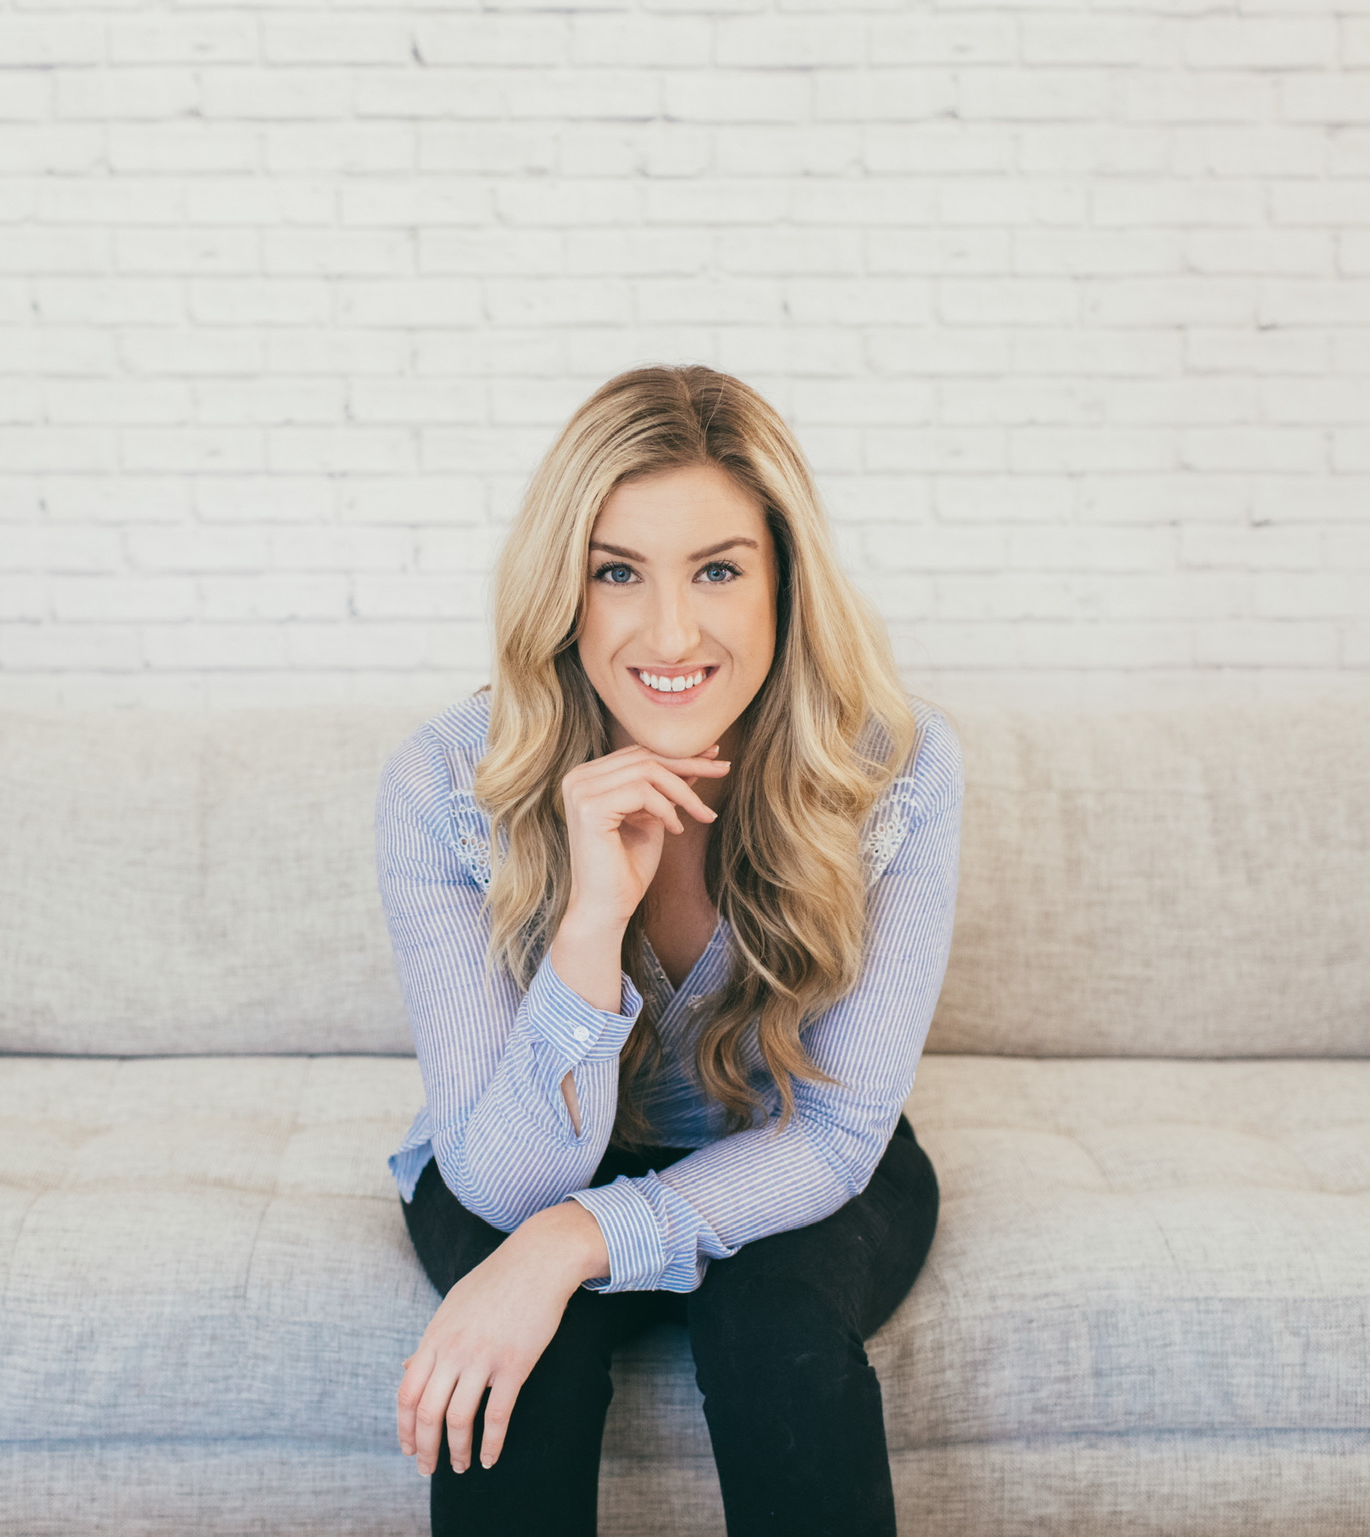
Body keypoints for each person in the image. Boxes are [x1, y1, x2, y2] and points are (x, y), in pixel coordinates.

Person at [375, 363, 964, 1537]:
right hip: (519, 1141)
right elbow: (499, 1180)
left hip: (787, 1149)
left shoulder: (894, 764)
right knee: (516, 1371)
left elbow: (839, 1134)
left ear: (783, 583)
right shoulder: (446, 781)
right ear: (564, 590)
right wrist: (590, 922)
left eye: (717, 570)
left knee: (778, 1335)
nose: (672, 631)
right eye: (616, 573)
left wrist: (572, 1242)